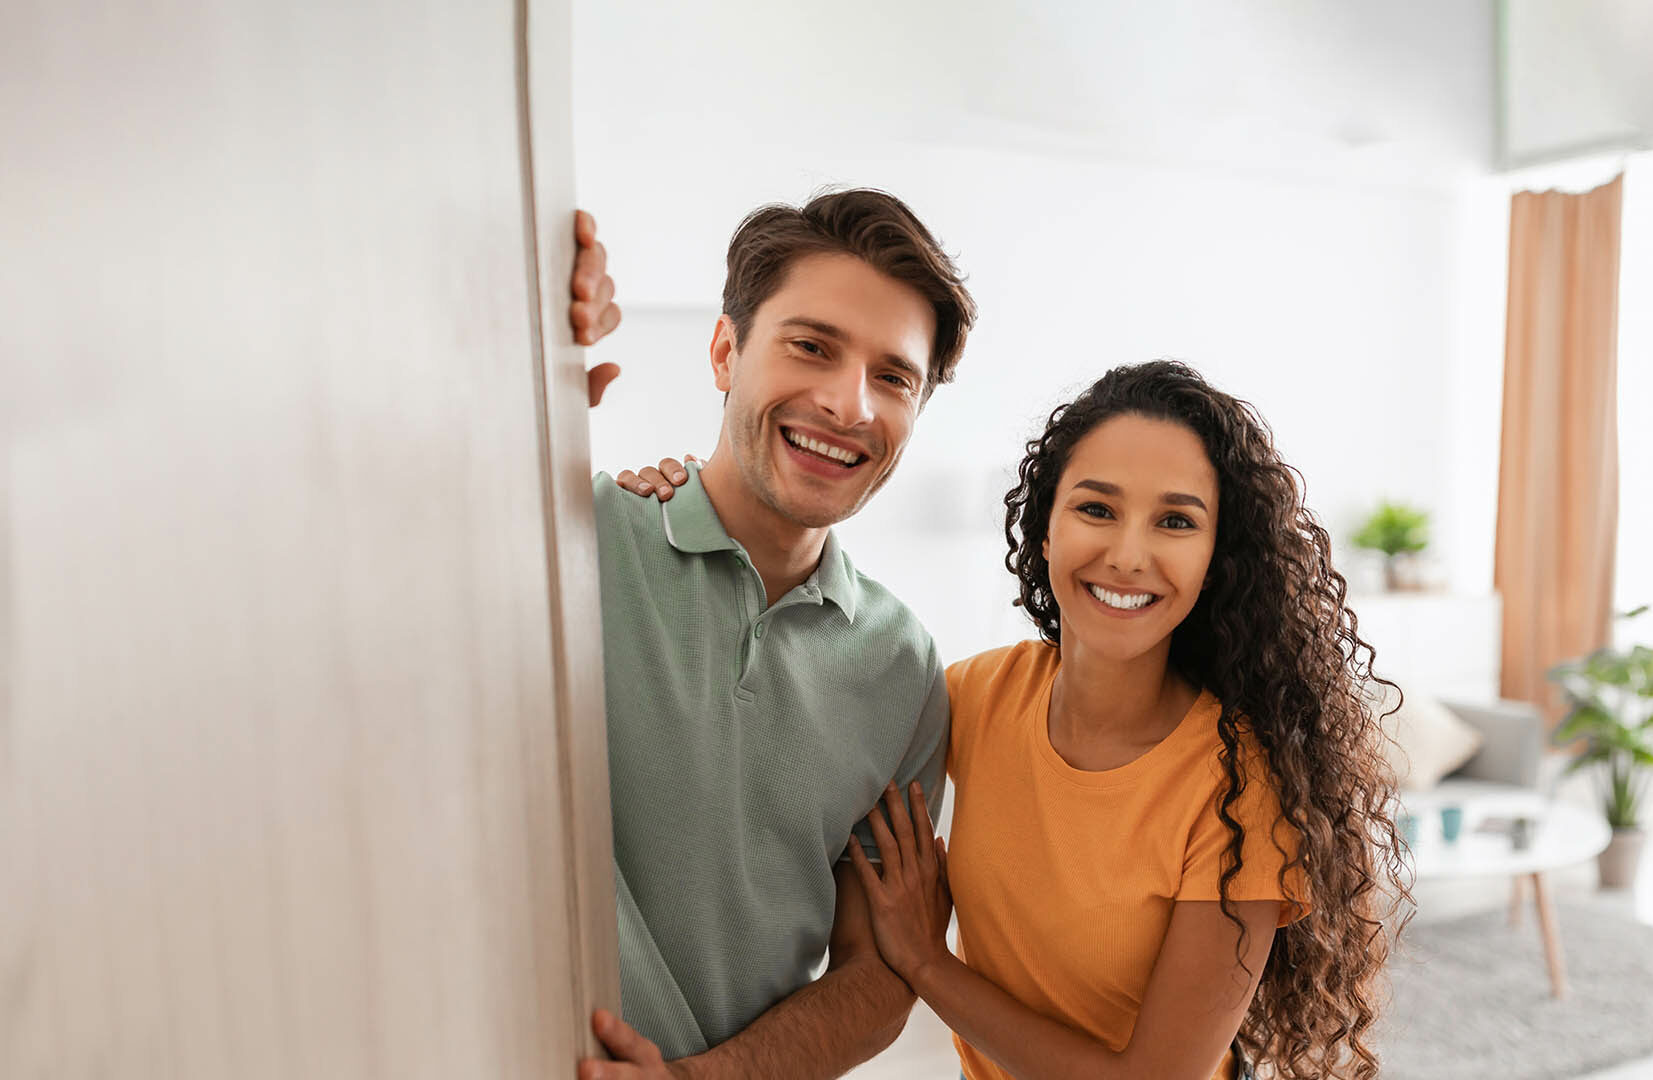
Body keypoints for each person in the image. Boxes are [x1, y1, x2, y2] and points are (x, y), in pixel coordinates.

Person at [626, 362, 1411, 1078]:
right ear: (1045, 531)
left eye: (1176, 522)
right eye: (1097, 508)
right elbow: (807, 717)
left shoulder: (1241, 791)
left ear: (1216, 559)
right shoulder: (975, 698)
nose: (1129, 555)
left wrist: (931, 967)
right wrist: (678, 500)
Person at [561, 191, 978, 1080]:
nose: (847, 403)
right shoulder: (572, 542)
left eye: (893, 377)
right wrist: (525, 339)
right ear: (725, 352)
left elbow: (877, 975)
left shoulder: (903, 672)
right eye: (812, 346)